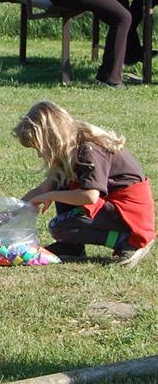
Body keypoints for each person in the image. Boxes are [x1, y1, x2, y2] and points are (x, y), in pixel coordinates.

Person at [13, 101, 154, 267]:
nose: (39, 155)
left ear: (52, 137)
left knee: (58, 226)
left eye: (40, 148)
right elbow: (43, 188)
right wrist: (5, 216)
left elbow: (90, 196)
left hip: (129, 213)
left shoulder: (89, 149)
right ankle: (71, 247)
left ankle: (127, 240)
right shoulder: (69, 147)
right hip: (110, 205)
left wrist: (50, 196)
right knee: (62, 183)